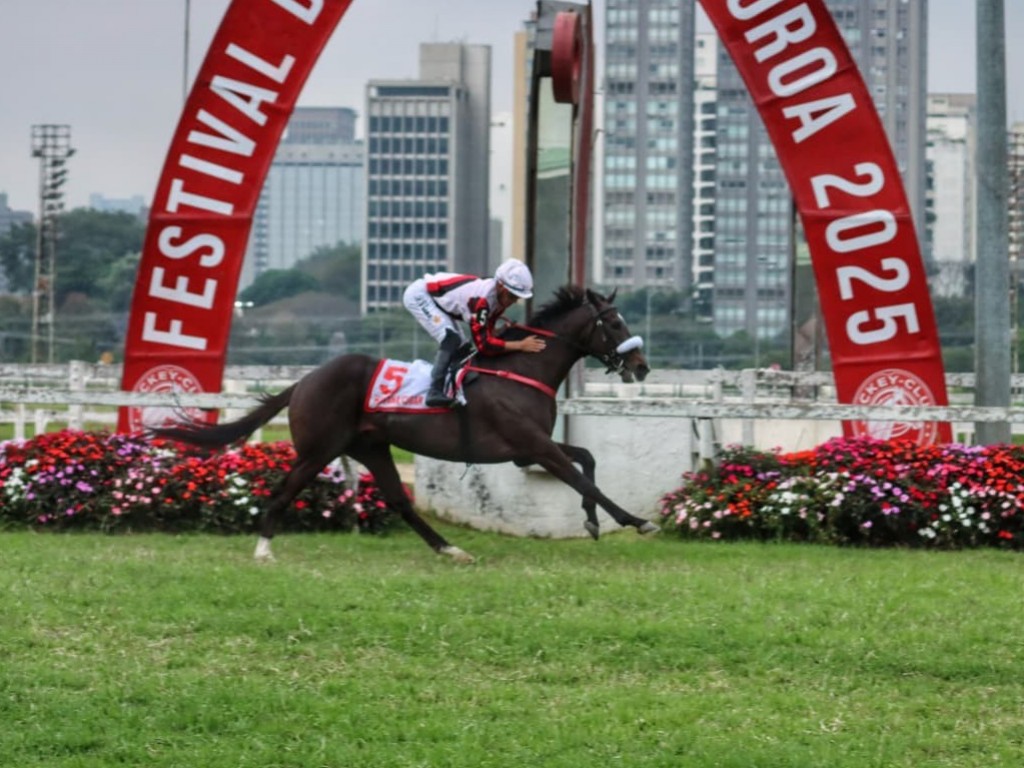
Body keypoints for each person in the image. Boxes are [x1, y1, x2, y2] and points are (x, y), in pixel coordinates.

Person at [403, 258, 547, 407]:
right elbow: (484, 345)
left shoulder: (498, 299)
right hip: (420, 295)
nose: (513, 301)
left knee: (464, 349)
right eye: (511, 296)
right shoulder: (482, 301)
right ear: (500, 285)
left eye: (516, 298)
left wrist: (502, 331)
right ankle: (434, 391)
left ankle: (456, 388)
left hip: (437, 300)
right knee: (451, 340)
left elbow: (487, 333)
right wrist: (520, 345)